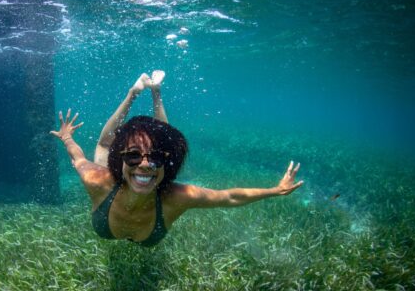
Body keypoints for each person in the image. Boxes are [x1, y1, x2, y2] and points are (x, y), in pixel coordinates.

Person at [50, 71, 303, 247]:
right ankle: (133, 93)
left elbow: (229, 196)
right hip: (117, 175)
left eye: (156, 159)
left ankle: (156, 93)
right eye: (134, 155)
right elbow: (79, 159)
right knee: (106, 145)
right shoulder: (99, 181)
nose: (146, 164)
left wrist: (275, 190)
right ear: (123, 159)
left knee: (162, 141)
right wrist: (67, 138)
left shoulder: (177, 197)